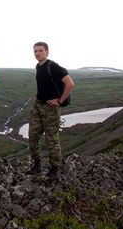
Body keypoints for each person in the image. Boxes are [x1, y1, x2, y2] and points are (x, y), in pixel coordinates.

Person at [27, 41, 74, 180]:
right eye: (35, 51)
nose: (37, 53)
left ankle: (55, 169)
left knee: (51, 138)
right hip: (38, 105)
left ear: (47, 52)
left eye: (40, 51)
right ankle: (37, 165)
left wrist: (59, 101)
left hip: (51, 108)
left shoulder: (53, 66)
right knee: (33, 136)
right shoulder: (38, 66)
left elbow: (70, 83)